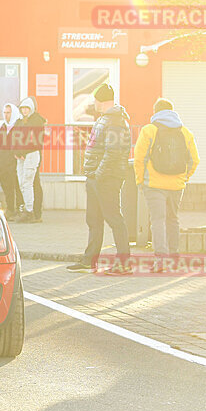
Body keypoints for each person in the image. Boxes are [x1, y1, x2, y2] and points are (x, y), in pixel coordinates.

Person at [67, 83, 132, 274]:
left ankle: (124, 263)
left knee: (114, 218)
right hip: (97, 177)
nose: (93, 103)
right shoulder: (105, 119)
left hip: (107, 178)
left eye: (95, 99)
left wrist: (98, 174)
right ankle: (90, 260)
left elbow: (113, 152)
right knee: (93, 219)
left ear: (101, 100)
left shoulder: (116, 121)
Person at [133, 98, 199, 270]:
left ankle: (160, 260)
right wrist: (185, 178)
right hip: (177, 185)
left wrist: (140, 180)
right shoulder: (185, 132)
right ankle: (175, 258)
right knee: (173, 220)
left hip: (154, 185)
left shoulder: (149, 130)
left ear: (155, 112)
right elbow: (195, 160)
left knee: (157, 221)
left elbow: (139, 158)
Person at [12, 97, 46, 223]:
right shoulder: (21, 121)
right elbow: (14, 138)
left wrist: (23, 152)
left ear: (31, 109)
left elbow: (36, 141)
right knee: (23, 183)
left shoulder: (36, 121)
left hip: (30, 155)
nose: (25, 111)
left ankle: (30, 211)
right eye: (23, 108)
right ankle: (29, 210)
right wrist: (16, 152)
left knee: (28, 182)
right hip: (21, 156)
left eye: (27, 108)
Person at [0, 103, 22, 220]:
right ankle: (10, 209)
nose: (6, 115)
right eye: (5, 113)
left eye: (8, 113)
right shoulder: (3, 127)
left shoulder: (19, 126)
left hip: (14, 161)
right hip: (3, 162)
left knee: (16, 186)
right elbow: (0, 145)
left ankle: (18, 209)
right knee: (6, 186)